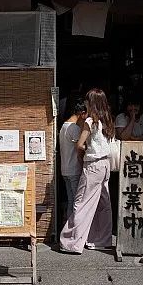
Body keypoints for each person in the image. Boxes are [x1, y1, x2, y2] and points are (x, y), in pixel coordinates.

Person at [59, 88, 115, 254]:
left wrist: (84, 151)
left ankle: (71, 242)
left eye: (87, 100)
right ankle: (101, 240)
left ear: (92, 103)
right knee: (103, 204)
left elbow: (79, 144)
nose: (85, 103)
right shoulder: (107, 120)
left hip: (92, 166)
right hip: (106, 164)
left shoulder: (90, 121)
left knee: (81, 203)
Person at [59, 98, 86, 218]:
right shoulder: (74, 128)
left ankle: (69, 228)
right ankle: (75, 228)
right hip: (74, 169)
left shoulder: (64, 126)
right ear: (81, 113)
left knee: (71, 200)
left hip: (65, 169)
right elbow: (79, 149)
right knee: (77, 201)